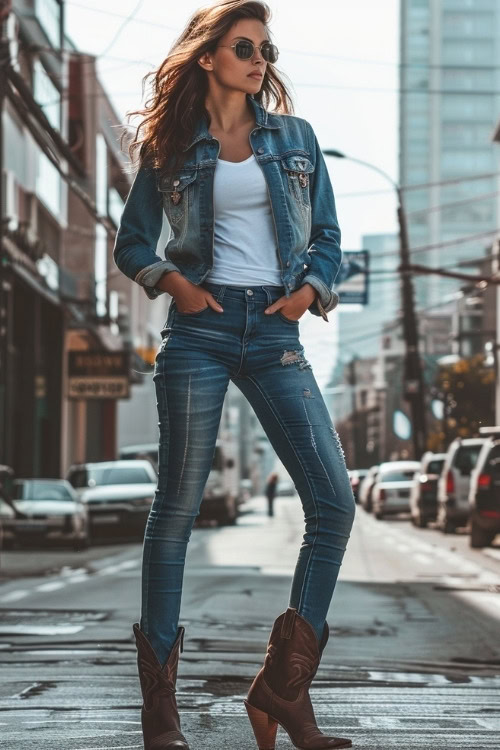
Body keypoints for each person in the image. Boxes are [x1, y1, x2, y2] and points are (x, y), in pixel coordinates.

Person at [113, 2, 356, 748]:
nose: (260, 59)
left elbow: (327, 237)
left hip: (276, 330)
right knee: (177, 509)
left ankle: (283, 690)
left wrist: (313, 289)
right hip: (200, 331)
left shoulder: (297, 139)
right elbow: (132, 243)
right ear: (210, 57)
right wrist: (173, 284)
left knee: (333, 505)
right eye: (244, 46)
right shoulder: (171, 145)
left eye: (266, 48)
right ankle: (161, 712)